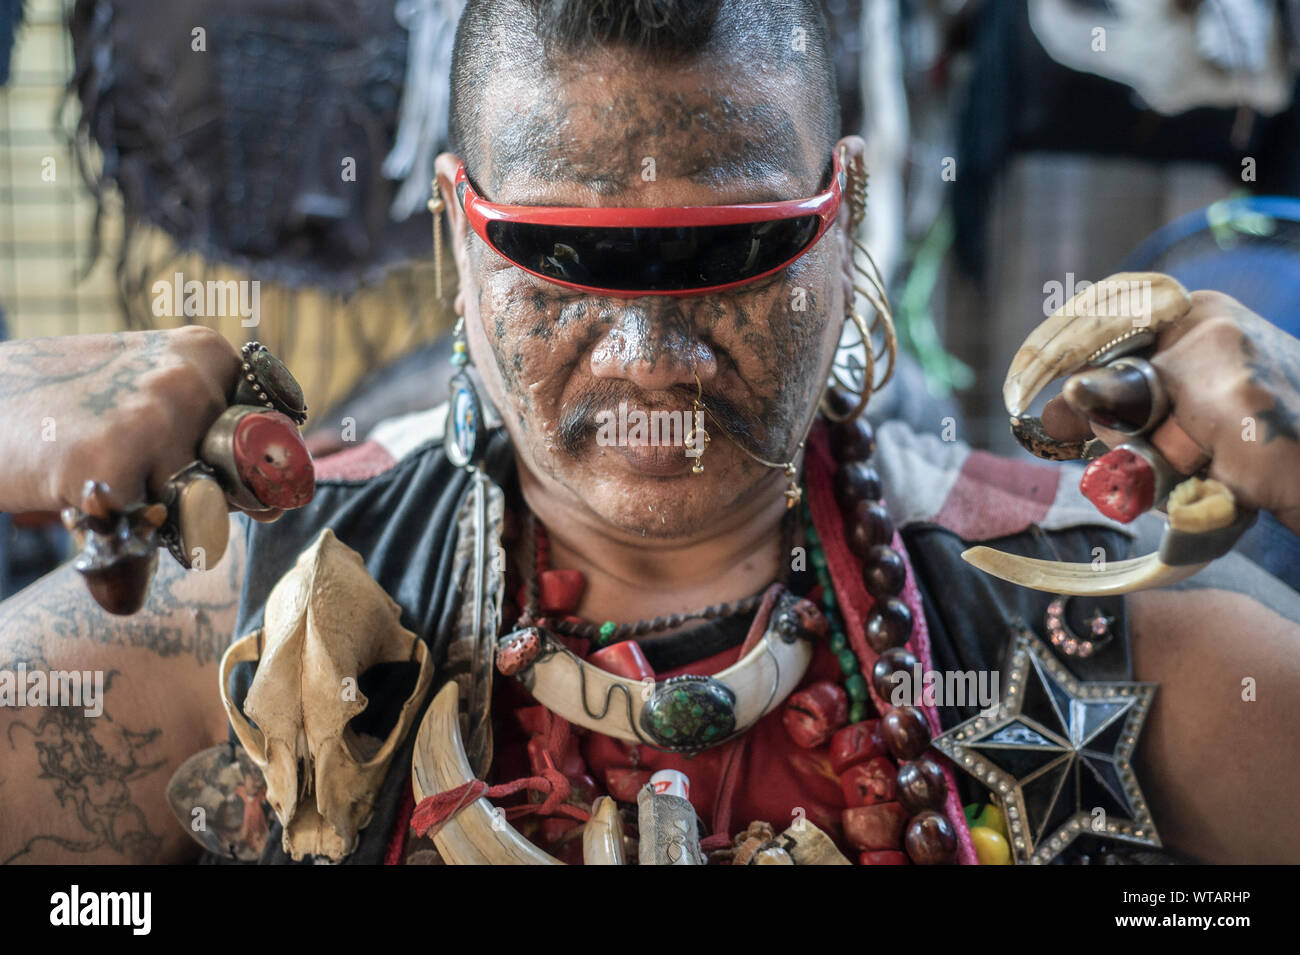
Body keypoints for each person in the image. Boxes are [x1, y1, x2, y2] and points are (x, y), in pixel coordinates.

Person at [2, 0, 1299, 866]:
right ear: (462, 231)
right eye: (562, 256)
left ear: (842, 210)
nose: (649, 357)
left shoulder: (1109, 626)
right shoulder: (237, 623)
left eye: (730, 251)